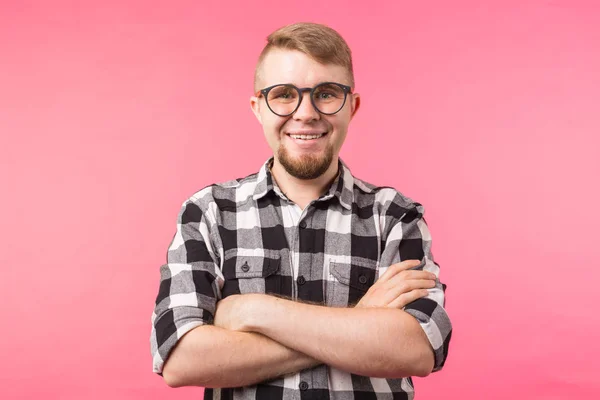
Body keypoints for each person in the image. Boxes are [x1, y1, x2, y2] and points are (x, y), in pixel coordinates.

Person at [150, 22, 452, 399]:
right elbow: (181, 359)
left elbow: (419, 348)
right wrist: (359, 324)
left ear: (352, 107)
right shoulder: (208, 213)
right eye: (284, 94)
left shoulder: (395, 217)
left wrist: (250, 311)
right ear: (258, 108)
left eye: (326, 94)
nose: (305, 113)